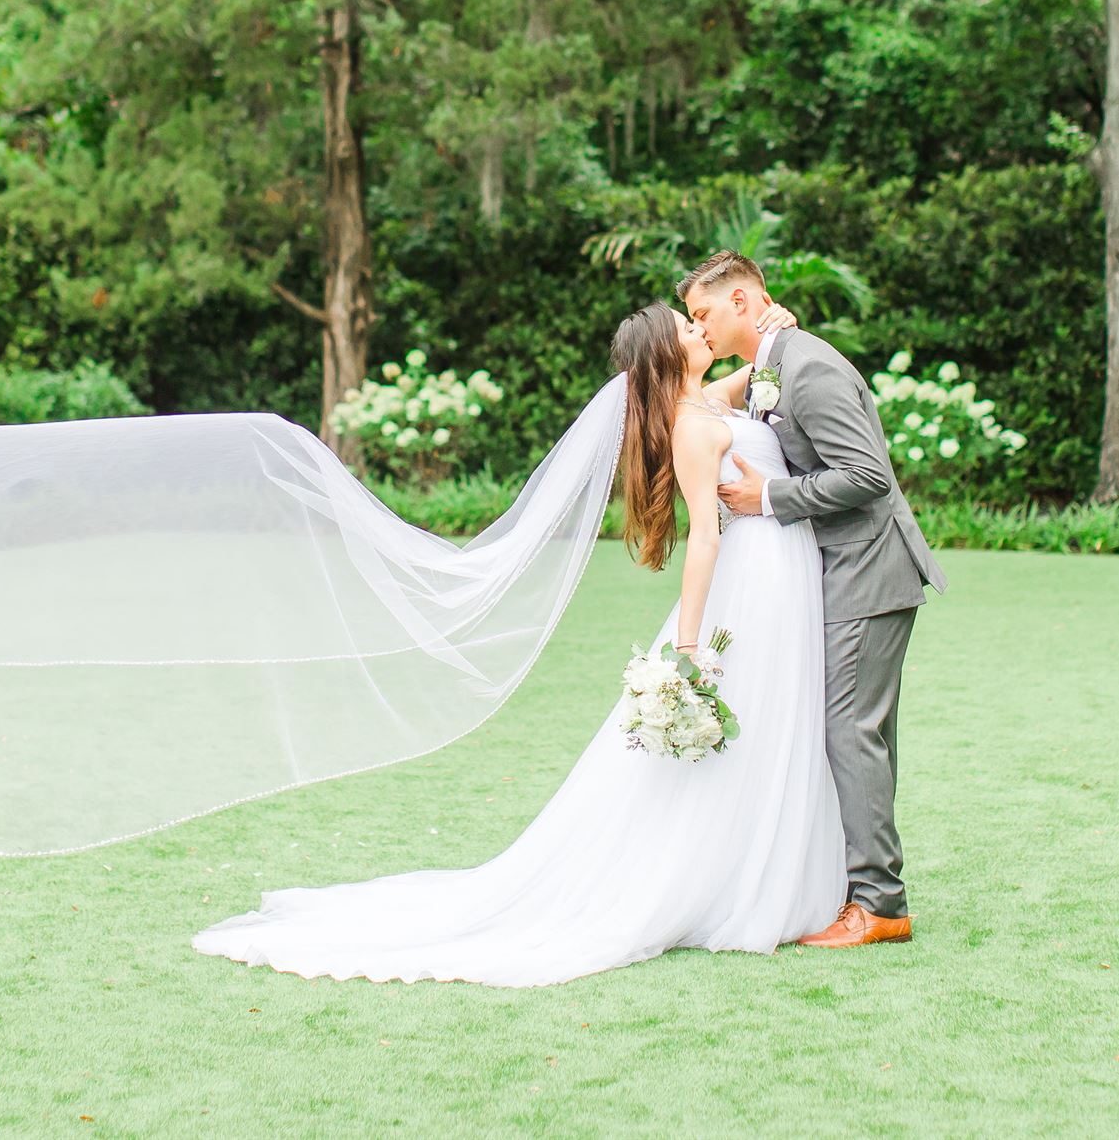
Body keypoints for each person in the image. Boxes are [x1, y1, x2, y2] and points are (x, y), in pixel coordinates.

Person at [191, 300, 845, 985]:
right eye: (688, 328)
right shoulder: (691, 427)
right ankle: (737, 882)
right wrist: (685, 647)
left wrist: (775, 333)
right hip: (751, 580)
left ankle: (761, 866)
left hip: (778, 573)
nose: (701, 329)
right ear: (667, 356)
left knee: (777, 720)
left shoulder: (706, 399)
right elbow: (705, 537)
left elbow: (755, 375)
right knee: (753, 721)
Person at [684, 250, 942, 948]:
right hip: (843, 569)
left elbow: (866, 475)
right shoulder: (774, 362)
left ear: (743, 301)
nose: (696, 325)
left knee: (850, 730)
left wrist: (768, 497)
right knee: (855, 729)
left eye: (702, 312)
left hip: (868, 569)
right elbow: (713, 399)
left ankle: (881, 903)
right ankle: (857, 885)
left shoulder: (809, 365)